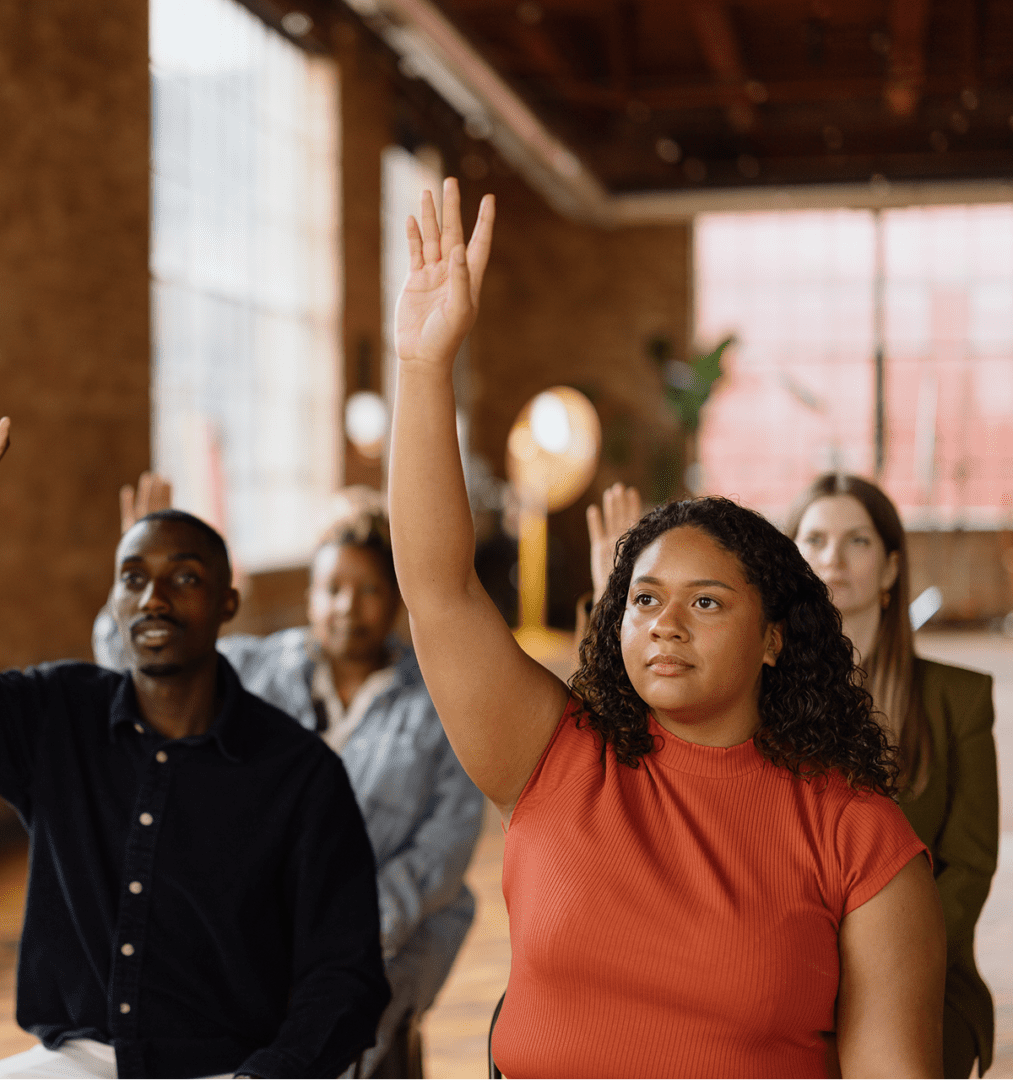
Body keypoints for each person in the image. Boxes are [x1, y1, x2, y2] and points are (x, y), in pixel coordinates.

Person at [386, 178, 947, 1079]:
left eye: (707, 602)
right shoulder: (554, 758)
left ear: (773, 636)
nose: (665, 625)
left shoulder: (859, 837)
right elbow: (438, 589)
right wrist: (422, 371)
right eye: (643, 599)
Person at [0, 417, 390, 1080]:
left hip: (228, 1069)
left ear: (227, 601)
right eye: (132, 578)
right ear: (115, 601)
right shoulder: (57, 714)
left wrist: (271, 1073)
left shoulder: (299, 774)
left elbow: (345, 975)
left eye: (183, 578)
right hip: (76, 1061)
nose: (153, 598)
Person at [93, 481, 483, 1080]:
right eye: (332, 590)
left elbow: (441, 852)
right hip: (245, 923)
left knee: (443, 913)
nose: (348, 607)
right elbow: (134, 667)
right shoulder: (255, 670)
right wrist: (149, 584)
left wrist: (335, 941)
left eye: (369, 589)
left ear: (399, 599)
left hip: (372, 937)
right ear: (311, 596)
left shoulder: (436, 706)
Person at [787, 473, 999, 1080]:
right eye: (815, 539)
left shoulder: (959, 698)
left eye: (857, 541)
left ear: (888, 570)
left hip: (927, 982)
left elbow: (971, 863)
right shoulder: (754, 699)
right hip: (785, 978)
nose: (832, 557)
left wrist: (884, 962)